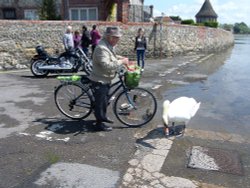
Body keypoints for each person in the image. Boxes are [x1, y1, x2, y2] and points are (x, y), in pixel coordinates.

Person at [88, 26, 129, 131]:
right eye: (117, 37)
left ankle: (103, 116)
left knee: (105, 99)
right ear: (110, 37)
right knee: (101, 102)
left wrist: (121, 58)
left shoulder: (108, 45)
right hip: (99, 79)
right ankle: (99, 123)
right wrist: (121, 62)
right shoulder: (101, 48)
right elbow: (107, 65)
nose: (118, 40)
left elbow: (111, 56)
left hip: (106, 78)